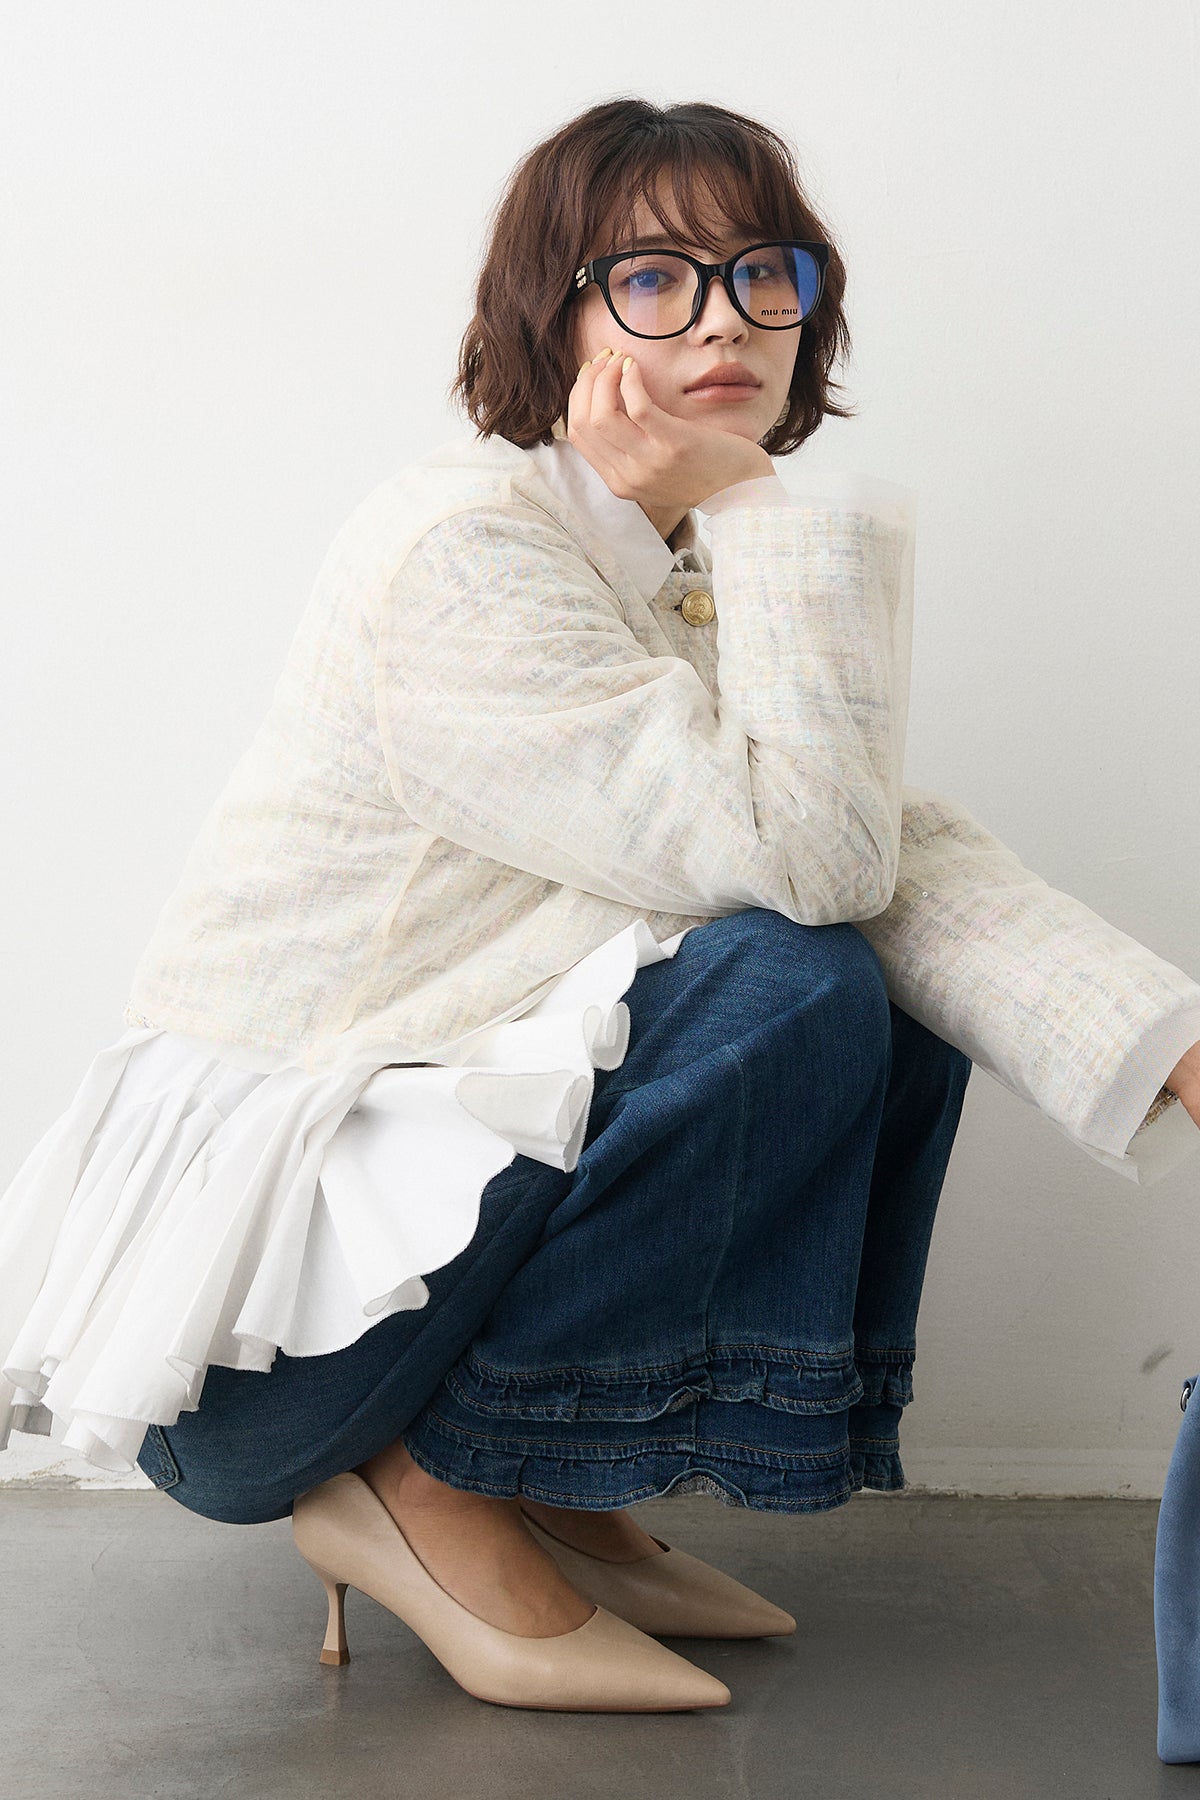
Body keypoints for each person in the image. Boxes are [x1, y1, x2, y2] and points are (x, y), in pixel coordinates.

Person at [4, 97, 1200, 1716]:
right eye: (654, 277)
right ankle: (434, 1483)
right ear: (553, 317)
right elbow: (818, 867)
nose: (724, 319)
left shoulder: (662, 568)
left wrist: (1173, 1048)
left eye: (763, 272)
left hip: (400, 1256)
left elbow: (887, 848)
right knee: (798, 980)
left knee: (877, 988)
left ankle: (548, 1486)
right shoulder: (466, 559)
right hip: (259, 1349)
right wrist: (766, 511)